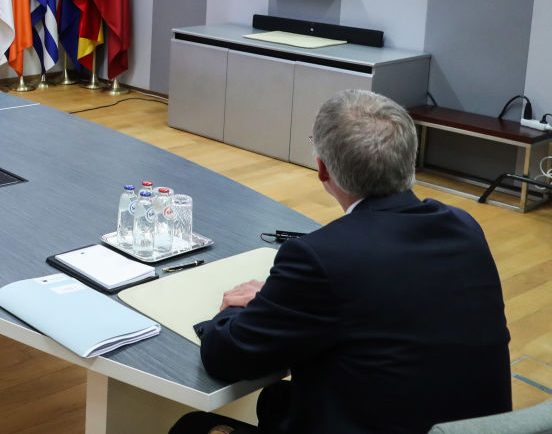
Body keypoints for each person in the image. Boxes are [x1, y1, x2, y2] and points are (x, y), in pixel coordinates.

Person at [172, 89, 511, 434]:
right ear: (409, 159)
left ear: (322, 169)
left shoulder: (322, 258)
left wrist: (243, 310)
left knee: (192, 427)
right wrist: (281, 304)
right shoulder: (465, 228)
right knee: (278, 399)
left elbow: (225, 357)